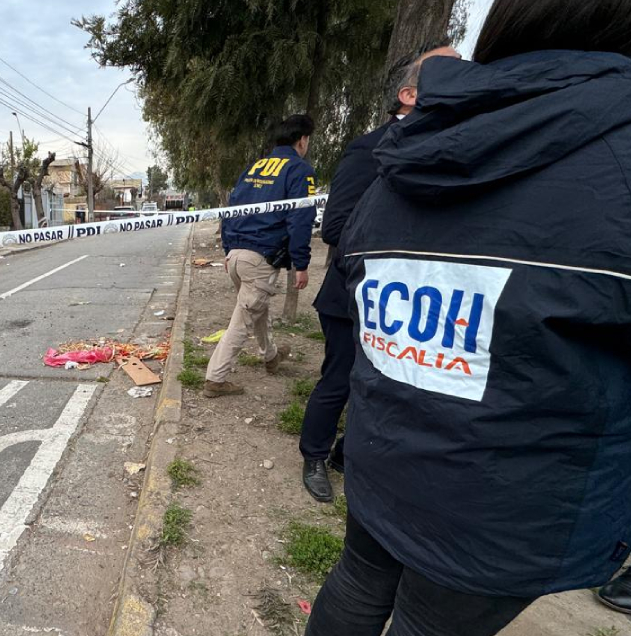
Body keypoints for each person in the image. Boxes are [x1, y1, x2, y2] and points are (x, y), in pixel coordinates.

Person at [306, 1, 631, 634]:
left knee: (357, 582)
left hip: (387, 450)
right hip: (509, 499)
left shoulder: (408, 145)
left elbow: (357, 260)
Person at [300, 41, 460, 503]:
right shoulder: (369, 149)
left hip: (415, 302)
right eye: (451, 70)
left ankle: (347, 453)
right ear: (409, 95)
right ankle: (314, 454)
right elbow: (335, 226)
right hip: (354, 297)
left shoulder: (453, 151)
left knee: (388, 387)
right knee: (341, 379)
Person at [202, 114, 318, 398]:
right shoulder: (300, 170)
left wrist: (229, 250)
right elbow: (301, 219)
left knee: (257, 310)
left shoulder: (253, 168)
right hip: (261, 259)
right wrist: (301, 264)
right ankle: (215, 379)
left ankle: (271, 356)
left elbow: (230, 211)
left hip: (237, 257)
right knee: (242, 320)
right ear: (302, 140)